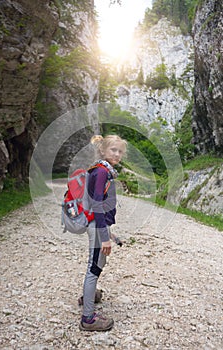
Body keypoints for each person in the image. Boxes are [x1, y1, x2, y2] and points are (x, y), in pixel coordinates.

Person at [79, 134, 127, 332]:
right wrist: (104, 236)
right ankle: (88, 319)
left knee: (99, 262)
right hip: (97, 228)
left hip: (100, 226)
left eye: (120, 151)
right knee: (94, 266)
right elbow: (97, 204)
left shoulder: (104, 170)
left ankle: (90, 295)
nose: (116, 154)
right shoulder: (101, 172)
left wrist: (110, 234)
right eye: (113, 150)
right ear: (103, 151)